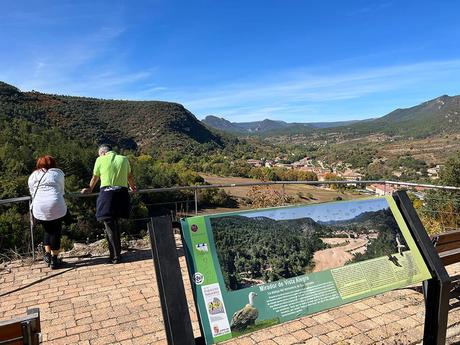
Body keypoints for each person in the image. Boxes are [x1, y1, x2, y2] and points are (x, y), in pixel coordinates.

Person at [81, 144, 136, 264]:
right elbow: (129, 176)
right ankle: (118, 252)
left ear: (102, 153)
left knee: (109, 225)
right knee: (116, 223)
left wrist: (90, 189)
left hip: (107, 195)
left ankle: (115, 256)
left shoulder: (100, 159)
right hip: (122, 194)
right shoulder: (124, 159)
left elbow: (95, 177)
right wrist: (133, 187)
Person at [28, 155, 67, 269]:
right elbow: (61, 190)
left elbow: (32, 192)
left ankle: (47, 256)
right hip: (56, 205)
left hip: (39, 206)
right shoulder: (58, 173)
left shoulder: (33, 175)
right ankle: (54, 260)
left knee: (47, 230)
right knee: (56, 231)